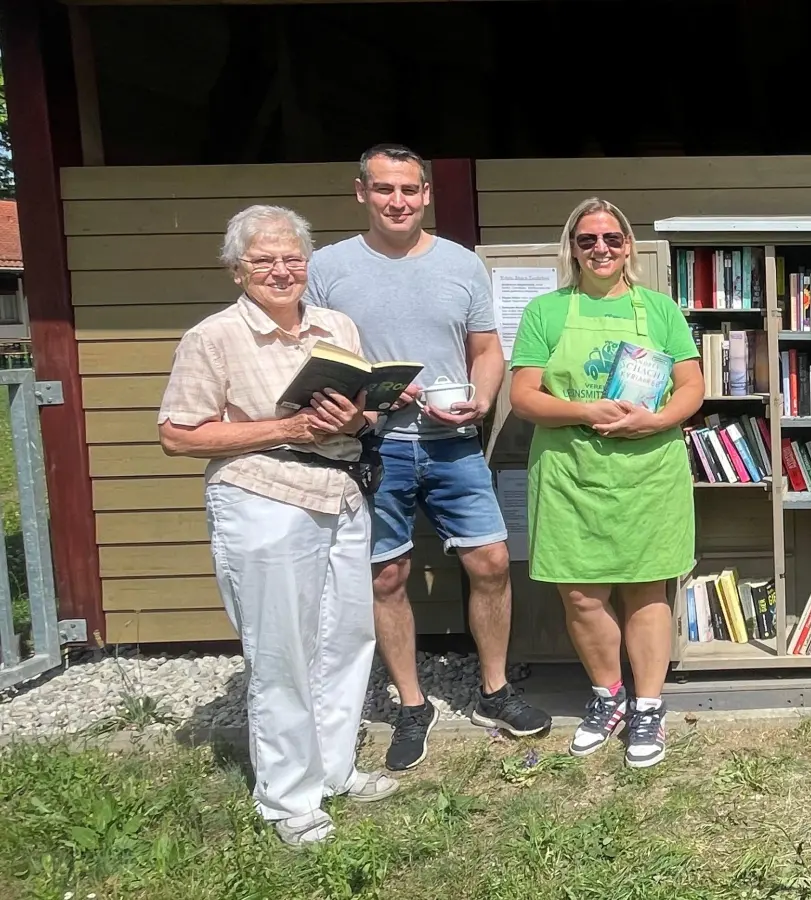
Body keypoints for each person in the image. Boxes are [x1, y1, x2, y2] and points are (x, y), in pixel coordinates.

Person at [157, 205, 399, 847]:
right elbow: (178, 436)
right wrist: (288, 428)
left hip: (341, 493)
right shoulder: (212, 337)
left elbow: (365, 416)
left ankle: (335, 769)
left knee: (347, 640)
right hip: (263, 497)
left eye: (293, 258)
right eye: (264, 260)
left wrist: (357, 419)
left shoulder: (335, 325)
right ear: (237, 270)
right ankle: (289, 798)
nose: (281, 270)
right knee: (281, 653)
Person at [305, 144, 551, 772]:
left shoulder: (461, 263)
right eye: (385, 189)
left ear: (426, 194)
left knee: (491, 562)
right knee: (386, 576)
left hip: (452, 443)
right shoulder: (328, 267)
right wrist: (370, 397)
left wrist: (483, 399)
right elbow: (314, 358)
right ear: (361, 192)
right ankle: (413, 706)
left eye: (410, 189)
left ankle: (494, 691)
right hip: (371, 445)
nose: (398, 201)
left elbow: (487, 350)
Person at [507, 198, 703, 769]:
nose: (601, 249)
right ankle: (608, 696)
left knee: (646, 589)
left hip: (648, 473)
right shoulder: (546, 312)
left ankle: (649, 706)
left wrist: (656, 421)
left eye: (612, 239)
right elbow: (523, 397)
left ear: (628, 246)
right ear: (572, 248)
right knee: (580, 594)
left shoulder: (660, 310)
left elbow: (692, 386)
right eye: (588, 239)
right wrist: (584, 410)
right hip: (570, 473)